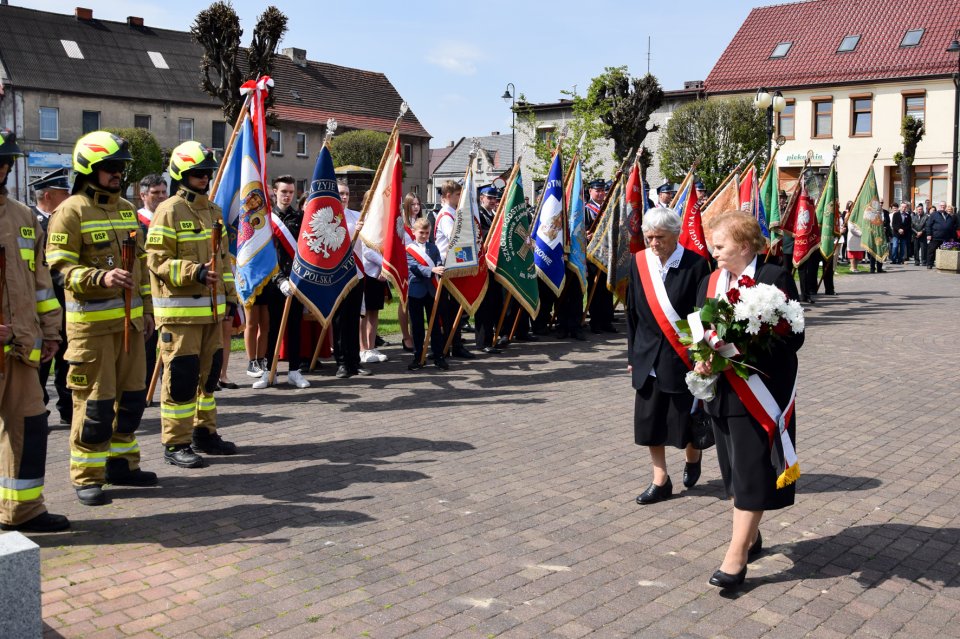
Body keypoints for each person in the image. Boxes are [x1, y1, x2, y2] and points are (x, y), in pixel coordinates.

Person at [694, 211, 804, 591]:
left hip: (759, 392)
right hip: (723, 392)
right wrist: (703, 354)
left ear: (743, 245)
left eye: (720, 245)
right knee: (733, 469)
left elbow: (793, 336)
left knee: (753, 470)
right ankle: (751, 536)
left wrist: (744, 349)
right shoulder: (710, 280)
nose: (714, 251)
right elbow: (699, 327)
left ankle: (736, 556)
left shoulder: (773, 279)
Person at [46, 131, 157, 505]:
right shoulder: (70, 211)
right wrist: (100, 278)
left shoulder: (126, 209)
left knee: (132, 401)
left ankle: (121, 465)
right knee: (94, 406)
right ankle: (87, 475)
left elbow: (140, 264)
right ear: (88, 168)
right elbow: (60, 270)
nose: (116, 174)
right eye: (109, 168)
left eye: (120, 168)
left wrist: (150, 311)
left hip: (131, 327)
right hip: (91, 331)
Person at [146, 141, 238, 467]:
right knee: (181, 381)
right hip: (180, 316)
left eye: (206, 172)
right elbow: (156, 261)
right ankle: (175, 443)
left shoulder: (213, 211)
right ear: (181, 174)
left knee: (209, 377)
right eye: (197, 173)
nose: (203, 177)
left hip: (213, 314)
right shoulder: (168, 210)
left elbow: (224, 262)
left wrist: (230, 299)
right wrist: (194, 271)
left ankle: (205, 433)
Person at [0, 130, 69, 532]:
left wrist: (51, 333)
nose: (4, 168)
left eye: (6, 162)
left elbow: (41, 284)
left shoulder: (24, 217)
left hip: (23, 347)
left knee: (29, 426)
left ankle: (22, 510)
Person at [627, 207, 710, 505]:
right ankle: (660, 479)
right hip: (647, 355)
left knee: (682, 419)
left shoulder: (696, 265)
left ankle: (693, 454)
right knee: (649, 421)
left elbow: (703, 314)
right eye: (649, 237)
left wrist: (701, 354)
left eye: (659, 237)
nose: (653, 243)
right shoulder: (639, 263)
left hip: (681, 356)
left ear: (675, 235)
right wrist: (632, 354)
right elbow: (632, 312)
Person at [258, 175, 309, 388]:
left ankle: (295, 371)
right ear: (275, 193)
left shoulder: (301, 218)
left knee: (295, 327)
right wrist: (279, 280)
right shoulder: (267, 220)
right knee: (272, 328)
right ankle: (270, 371)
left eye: (290, 192)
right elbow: (266, 254)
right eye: (283, 192)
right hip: (273, 282)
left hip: (295, 281)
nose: (287, 196)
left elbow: (306, 252)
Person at [29, 168, 72, 425]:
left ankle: (68, 408)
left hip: (67, 304)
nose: (68, 195)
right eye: (63, 192)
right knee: (42, 362)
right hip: (41, 306)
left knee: (67, 359)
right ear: (47, 195)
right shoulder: (30, 219)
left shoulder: (67, 217)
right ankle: (38, 409)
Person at [332, 180, 371, 378]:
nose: (344, 197)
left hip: (357, 274)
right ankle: (341, 362)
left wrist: (362, 230)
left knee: (354, 319)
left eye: (346, 193)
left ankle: (354, 362)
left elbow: (368, 245)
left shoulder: (358, 217)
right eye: (340, 193)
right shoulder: (330, 219)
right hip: (338, 276)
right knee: (339, 321)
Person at [433, 180, 475, 359]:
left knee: (455, 306)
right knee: (449, 308)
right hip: (447, 265)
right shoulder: (446, 215)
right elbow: (455, 238)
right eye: (458, 195)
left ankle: (454, 343)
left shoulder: (452, 213)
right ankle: (450, 344)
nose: (460, 198)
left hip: (454, 264)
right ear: (448, 195)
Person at [137, 174, 168, 389]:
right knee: (147, 343)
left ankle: (170, 384)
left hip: (168, 289)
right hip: (146, 289)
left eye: (163, 192)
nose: (161, 197)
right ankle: (145, 388)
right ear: (143, 195)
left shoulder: (170, 216)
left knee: (169, 341)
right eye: (155, 193)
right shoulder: (134, 220)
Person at [406, 217, 447, 370]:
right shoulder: (409, 250)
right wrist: (432, 270)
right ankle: (418, 357)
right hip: (416, 292)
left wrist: (439, 267)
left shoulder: (433, 248)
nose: (424, 236)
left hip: (431, 291)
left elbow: (437, 262)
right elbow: (415, 268)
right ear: (414, 232)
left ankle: (438, 356)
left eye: (427, 233)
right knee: (417, 327)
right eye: (421, 233)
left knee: (435, 326)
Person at [473, 185, 503, 354]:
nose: (492, 201)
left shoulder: (494, 215)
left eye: (494, 198)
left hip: (495, 266)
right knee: (484, 305)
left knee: (494, 303)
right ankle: (482, 341)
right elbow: (481, 233)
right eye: (489, 198)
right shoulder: (478, 214)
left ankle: (491, 338)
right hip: (483, 265)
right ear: (482, 198)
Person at [584, 179, 616, 334]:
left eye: (603, 190)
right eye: (597, 190)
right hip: (593, 255)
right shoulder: (586, 210)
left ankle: (607, 320)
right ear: (590, 191)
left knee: (607, 288)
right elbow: (581, 230)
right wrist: (586, 235)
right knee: (595, 290)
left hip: (608, 253)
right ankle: (596, 322)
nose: (601, 193)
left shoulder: (607, 209)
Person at [396, 193, 423, 353]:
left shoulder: (420, 222)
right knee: (404, 301)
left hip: (420, 266)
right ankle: (406, 336)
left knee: (417, 301)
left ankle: (416, 335)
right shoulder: (402, 224)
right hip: (406, 266)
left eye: (418, 204)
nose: (416, 207)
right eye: (412, 204)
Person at [926, 201, 958, 268]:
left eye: (944, 206)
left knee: (945, 252)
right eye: (941, 205)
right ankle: (929, 264)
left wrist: (951, 236)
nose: (942, 207)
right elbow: (928, 225)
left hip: (946, 238)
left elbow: (952, 227)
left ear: (945, 206)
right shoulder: (934, 214)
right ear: (938, 206)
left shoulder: (949, 216)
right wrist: (929, 234)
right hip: (935, 236)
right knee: (931, 251)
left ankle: (943, 264)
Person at [845, 202, 865, 273]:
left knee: (858, 253)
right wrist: (861, 233)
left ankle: (855, 267)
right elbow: (851, 228)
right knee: (853, 253)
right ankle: (852, 267)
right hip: (853, 237)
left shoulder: (859, 216)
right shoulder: (850, 216)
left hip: (859, 238)